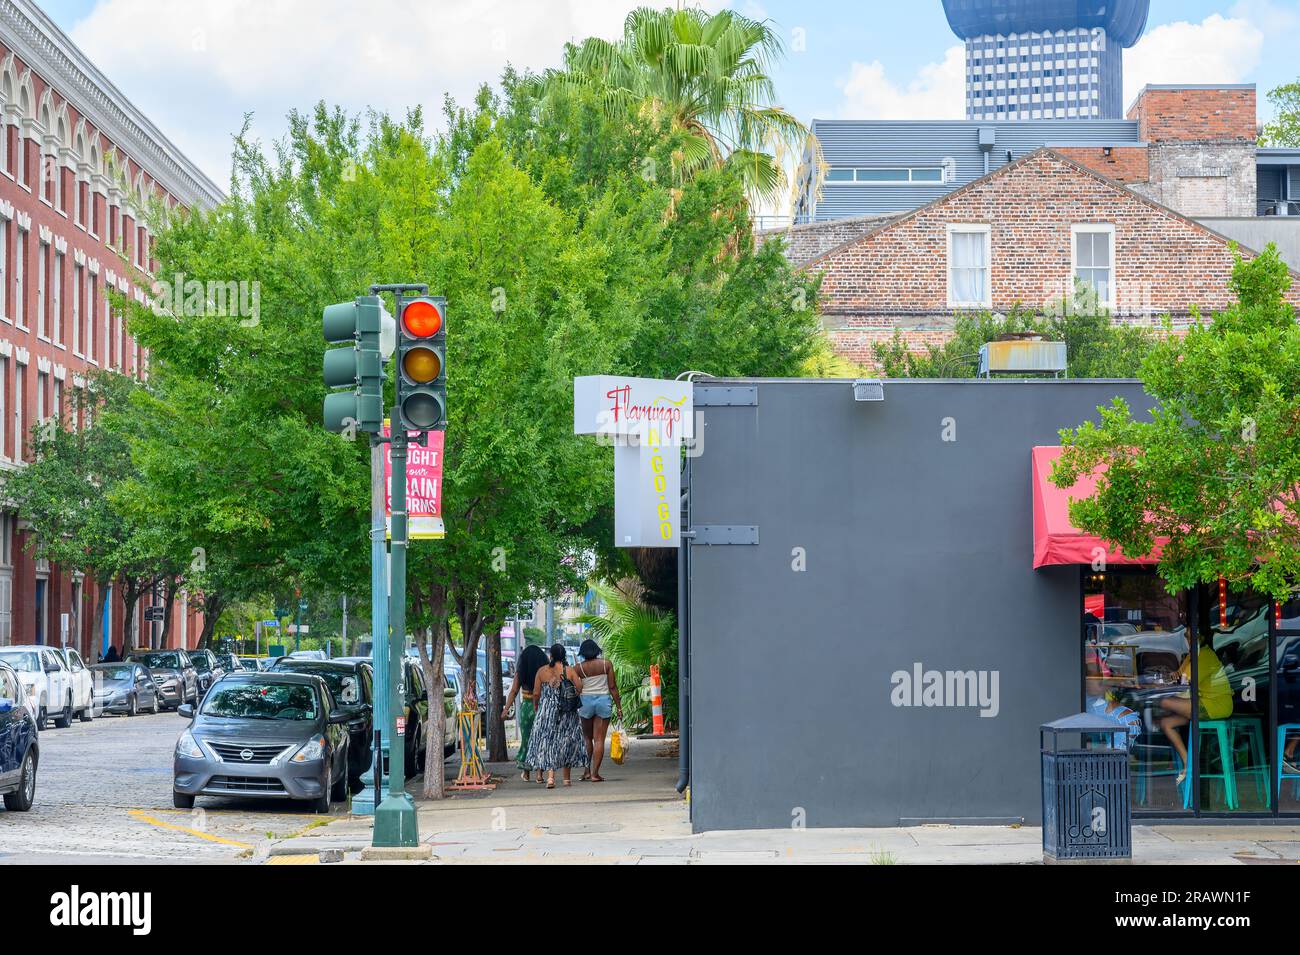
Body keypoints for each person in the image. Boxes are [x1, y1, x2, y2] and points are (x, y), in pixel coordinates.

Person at [1158, 627, 1234, 784]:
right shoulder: (1191, 656)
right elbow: (1178, 676)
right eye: (1186, 636)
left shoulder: (1204, 655)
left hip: (1214, 705)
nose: (1188, 639)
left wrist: (1162, 686)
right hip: (1198, 701)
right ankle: (1188, 762)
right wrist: (1167, 677)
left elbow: (1186, 684)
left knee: (1164, 702)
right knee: (1166, 723)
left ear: (1201, 637)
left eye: (1192, 636)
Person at [524, 644, 589, 788]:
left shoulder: (542, 671)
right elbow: (579, 688)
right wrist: (569, 692)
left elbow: (536, 693)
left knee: (549, 742)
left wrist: (537, 706)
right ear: (564, 655)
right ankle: (566, 779)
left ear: (551, 655)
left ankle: (550, 778)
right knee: (566, 742)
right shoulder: (569, 671)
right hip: (567, 711)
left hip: (547, 710)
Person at [573, 638, 622, 782]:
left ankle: (587, 771)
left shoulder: (578, 668)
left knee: (587, 738)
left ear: (582, 652)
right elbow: (612, 687)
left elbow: (577, 688)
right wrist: (619, 706)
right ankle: (595, 774)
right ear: (597, 650)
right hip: (603, 701)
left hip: (585, 702)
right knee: (599, 739)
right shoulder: (606, 664)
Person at [502, 644, 548, 782]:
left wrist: (506, 709)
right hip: (542, 707)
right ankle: (540, 774)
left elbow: (514, 691)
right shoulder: (545, 670)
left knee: (527, 740)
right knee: (541, 740)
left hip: (527, 707)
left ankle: (526, 772)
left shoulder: (521, 671)